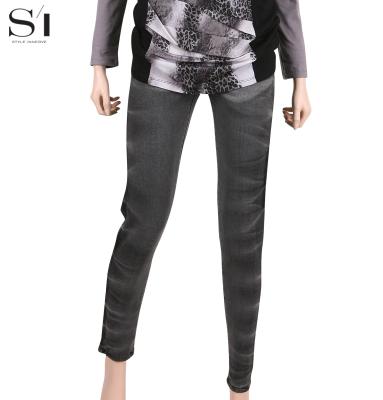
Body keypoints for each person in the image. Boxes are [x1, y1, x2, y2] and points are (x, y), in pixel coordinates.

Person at [90, 1, 311, 399]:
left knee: (243, 232)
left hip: (246, 64)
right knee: (143, 221)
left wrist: (299, 75)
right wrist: (100, 63)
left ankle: (240, 388)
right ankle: (114, 370)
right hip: (161, 59)